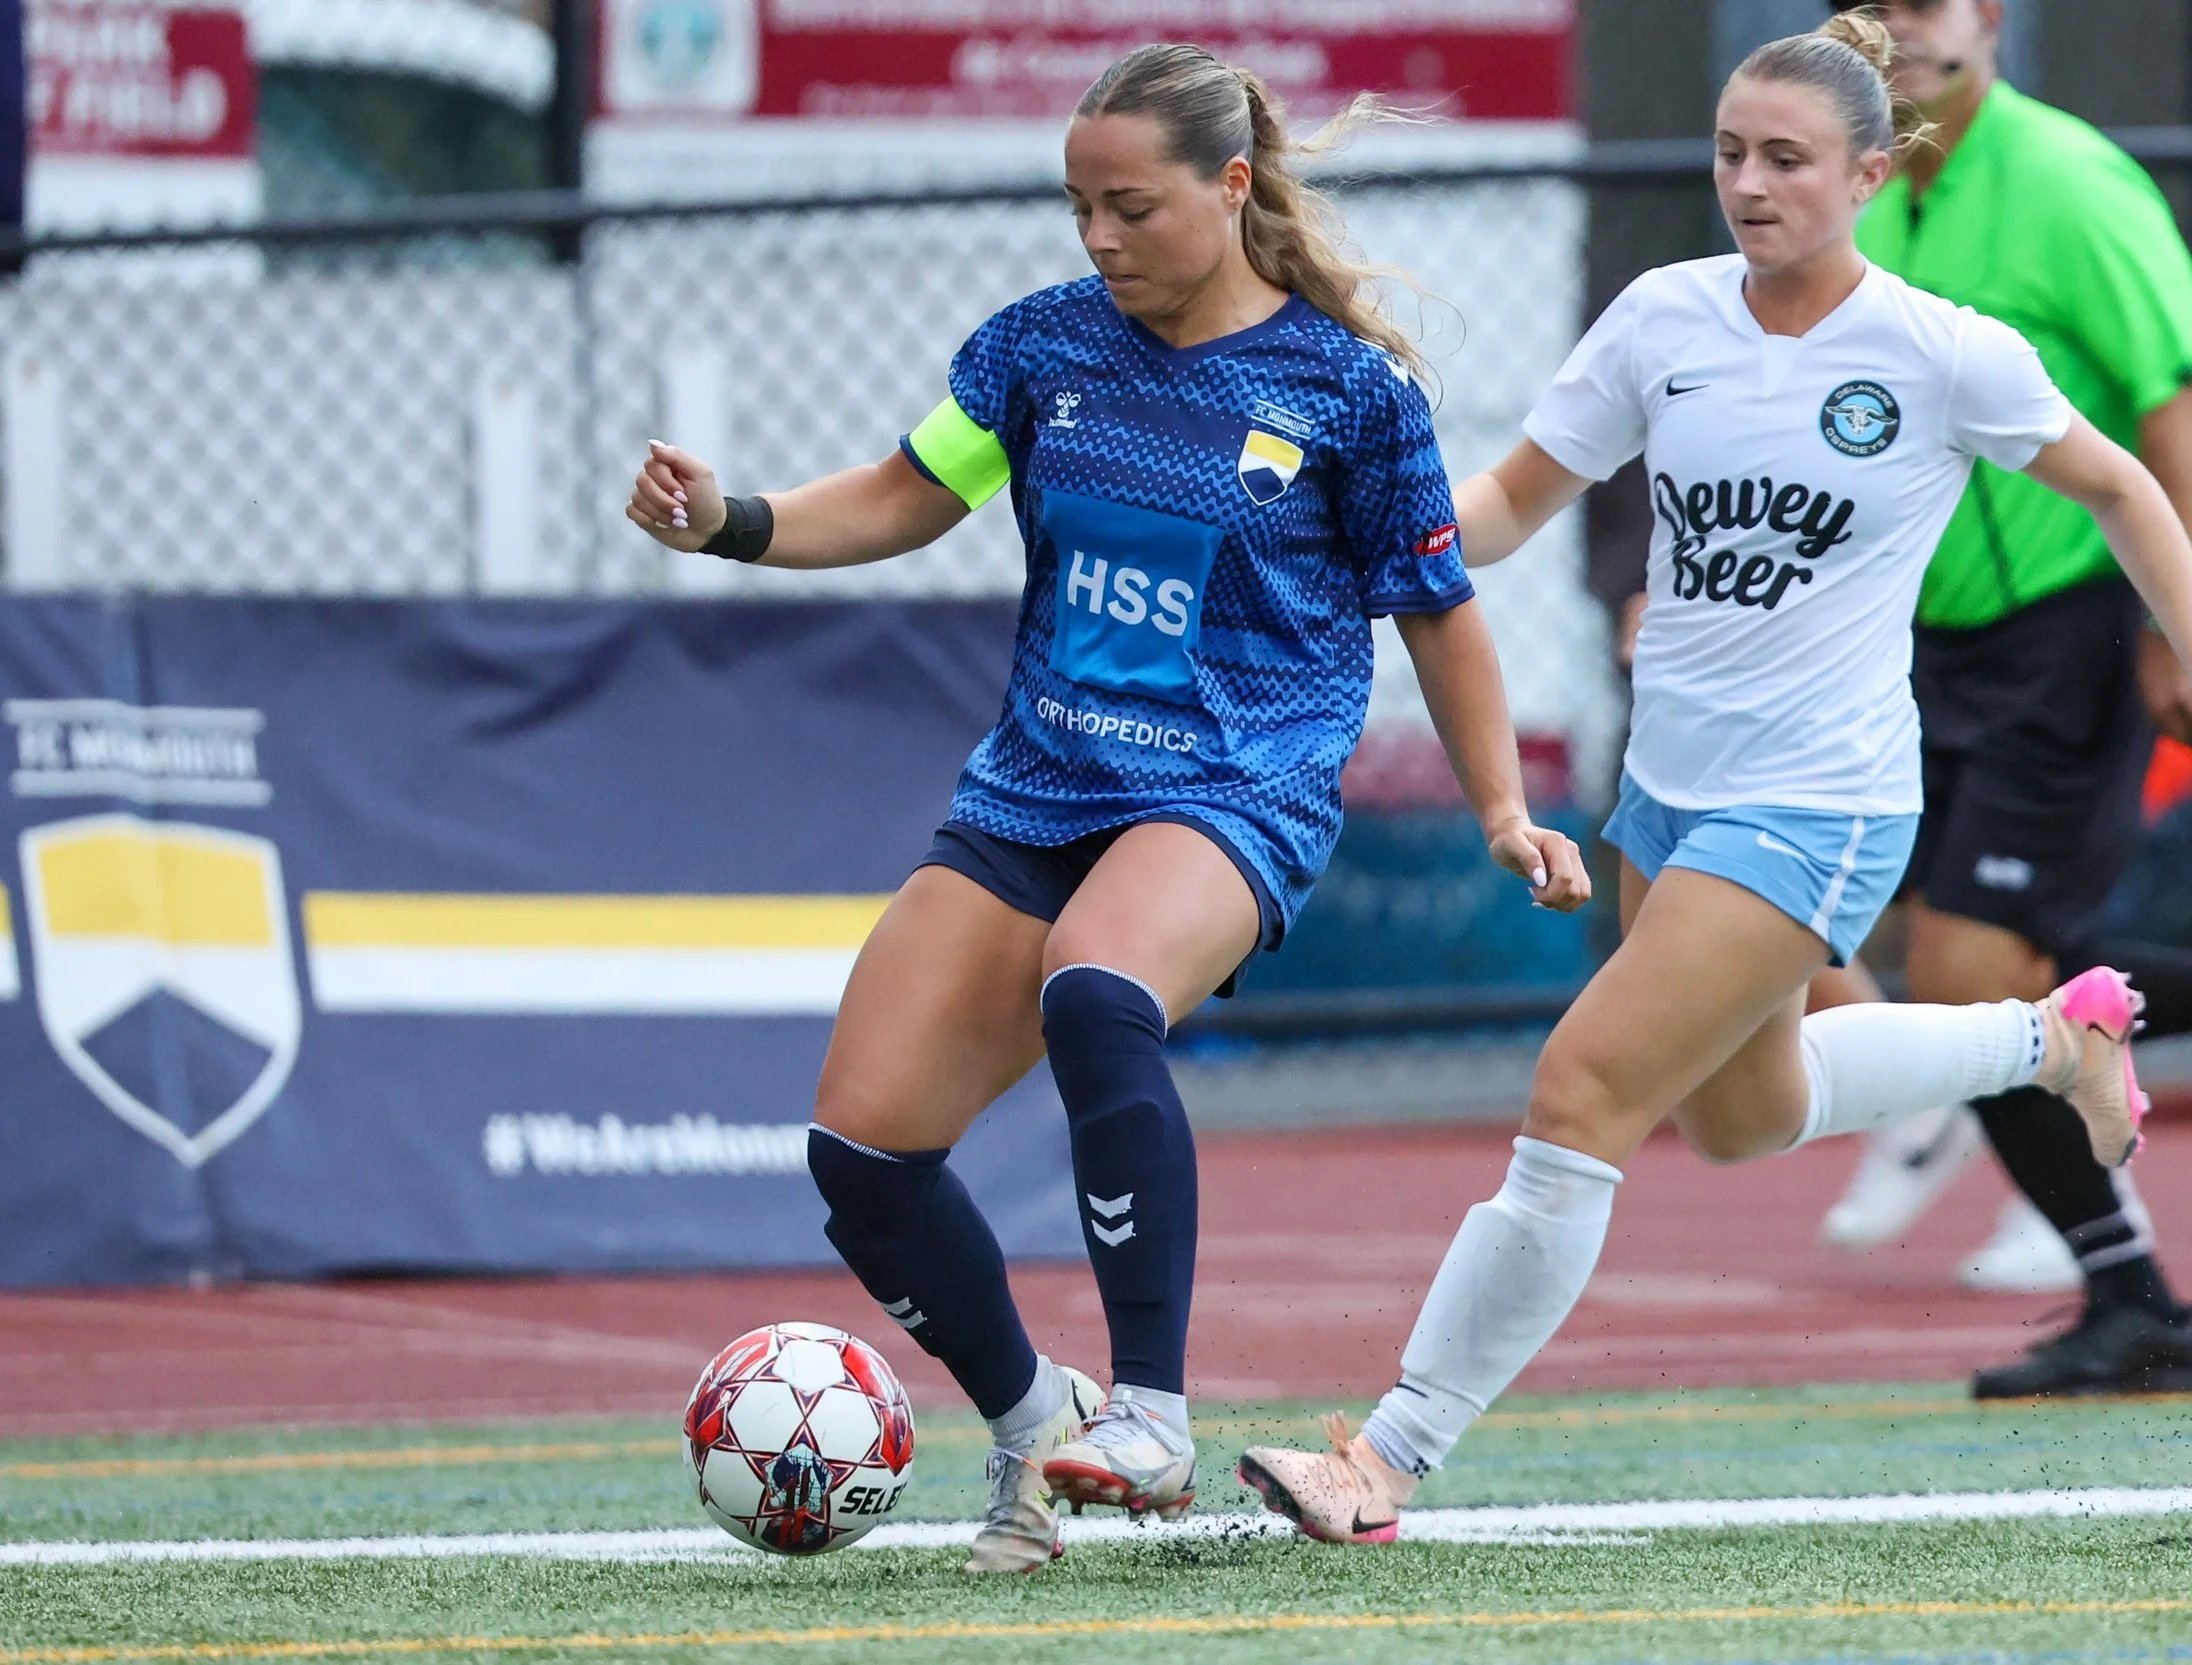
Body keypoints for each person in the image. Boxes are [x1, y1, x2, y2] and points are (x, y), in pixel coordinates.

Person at [626, 42, 1589, 1573]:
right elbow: (901, 493)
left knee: (1098, 981)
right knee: (862, 1158)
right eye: (1079, 206)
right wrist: (728, 519)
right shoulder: (1037, 347)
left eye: (1128, 205)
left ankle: (1149, 1408)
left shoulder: (1350, 389)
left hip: (1235, 788)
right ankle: (1033, 1417)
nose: (1098, 237)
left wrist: (1497, 811)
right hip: (1038, 784)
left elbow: (1441, 611)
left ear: (1228, 186)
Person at [1236, 13, 2192, 1544]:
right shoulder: (1664, 320)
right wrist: (1359, 535)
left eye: (1789, 160)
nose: (1751, 183)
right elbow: (1506, 504)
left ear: (1871, 173)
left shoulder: (1943, 352)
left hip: (1822, 803)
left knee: (1581, 1088)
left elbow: (2125, 482)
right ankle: (2047, 1041)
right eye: (1733, 154)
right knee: (1744, 1117)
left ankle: (1390, 1454)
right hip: (1667, 791)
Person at [1806, 0, 2192, 1395]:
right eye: (1875, 6)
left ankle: (2130, 1291)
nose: (1901, 30)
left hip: (2069, 628)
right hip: (1908, 644)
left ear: (1992, 19)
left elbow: (2172, 403)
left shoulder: (2071, 185)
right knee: (1824, 930)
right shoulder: (1850, 182)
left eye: (1929, 4)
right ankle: (2134, 1295)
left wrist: (2177, 618)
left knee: (1970, 971)